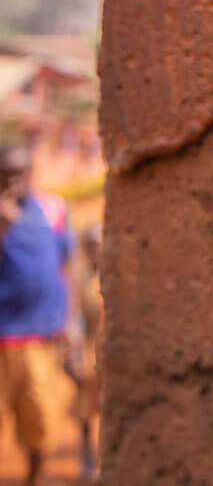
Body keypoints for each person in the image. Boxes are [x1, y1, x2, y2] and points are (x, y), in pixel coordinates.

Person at [0, 144, 77, 486]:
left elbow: (67, 267)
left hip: (42, 336)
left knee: (41, 417)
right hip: (3, 337)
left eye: (21, 173)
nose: (15, 181)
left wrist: (72, 322)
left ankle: (35, 478)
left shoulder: (52, 209)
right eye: (7, 174)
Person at [66, 224, 103, 480]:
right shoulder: (78, 279)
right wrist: (73, 355)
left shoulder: (115, 274)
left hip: (109, 352)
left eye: (98, 245)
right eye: (90, 246)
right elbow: (73, 317)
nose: (95, 251)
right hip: (89, 350)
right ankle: (88, 456)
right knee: (84, 410)